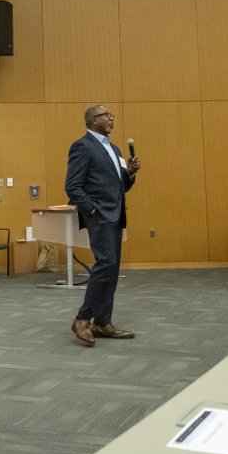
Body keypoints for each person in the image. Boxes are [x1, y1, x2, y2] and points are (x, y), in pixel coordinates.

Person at [65, 105, 141, 347]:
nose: (111, 119)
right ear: (91, 120)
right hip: (99, 216)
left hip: (116, 215)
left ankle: (102, 322)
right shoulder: (82, 146)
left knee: (112, 268)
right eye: (106, 115)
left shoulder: (114, 149)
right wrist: (93, 211)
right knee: (106, 264)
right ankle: (82, 319)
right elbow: (72, 186)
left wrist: (130, 173)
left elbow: (121, 186)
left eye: (112, 116)